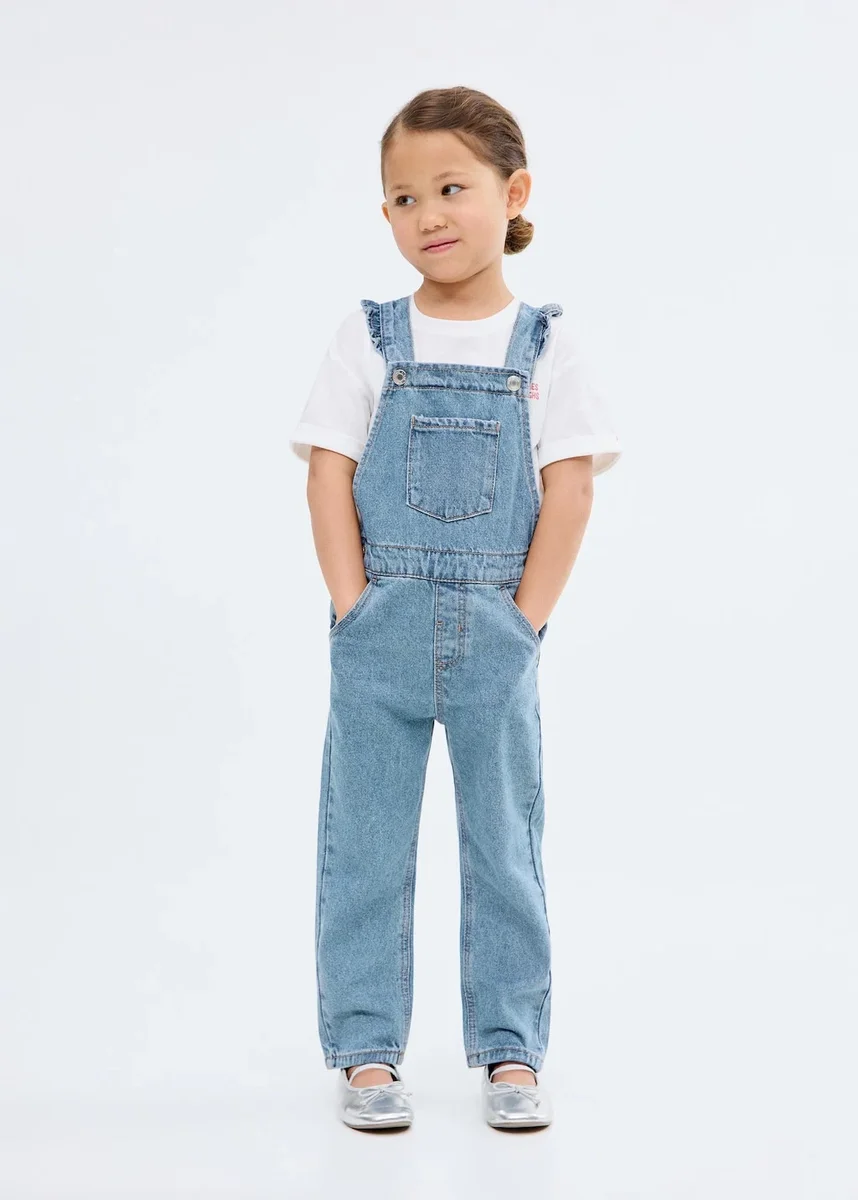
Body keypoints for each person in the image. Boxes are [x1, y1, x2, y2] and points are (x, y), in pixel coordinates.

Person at [289, 86, 622, 1131]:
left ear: (513, 194)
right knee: (364, 845)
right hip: (379, 630)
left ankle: (511, 1051)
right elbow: (329, 473)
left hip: (497, 633)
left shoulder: (546, 345)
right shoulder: (369, 336)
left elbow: (570, 488)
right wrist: (353, 607)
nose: (426, 214)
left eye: (450, 188)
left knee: (504, 848)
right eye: (402, 198)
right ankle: (365, 1052)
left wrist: (524, 622)